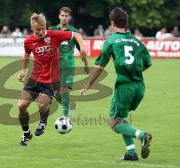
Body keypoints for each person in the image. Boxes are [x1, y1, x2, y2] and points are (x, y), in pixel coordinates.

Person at [80, 7, 152, 161]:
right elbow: (147, 63)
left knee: (113, 122)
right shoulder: (137, 42)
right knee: (121, 119)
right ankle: (131, 153)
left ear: (112, 23)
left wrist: (88, 84)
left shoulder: (111, 41)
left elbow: (100, 66)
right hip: (139, 87)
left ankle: (142, 135)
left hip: (124, 87)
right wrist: (134, 73)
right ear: (126, 23)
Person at [17, 13, 87, 146]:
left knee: (42, 105)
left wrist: (82, 49)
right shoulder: (28, 41)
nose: (42, 32)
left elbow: (76, 35)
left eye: (43, 28)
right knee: (21, 106)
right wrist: (24, 69)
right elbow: (26, 54)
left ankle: (42, 122)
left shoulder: (54, 34)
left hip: (50, 80)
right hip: (34, 79)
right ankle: (26, 134)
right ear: (32, 28)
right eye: (38, 29)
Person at [50, 7, 89, 118]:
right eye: (62, 15)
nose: (64, 18)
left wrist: (86, 63)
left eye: (66, 16)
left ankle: (65, 116)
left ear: (70, 17)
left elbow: (82, 50)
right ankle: (66, 106)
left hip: (67, 65)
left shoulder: (74, 32)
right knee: (55, 92)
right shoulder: (52, 30)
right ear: (59, 16)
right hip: (54, 66)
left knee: (64, 89)